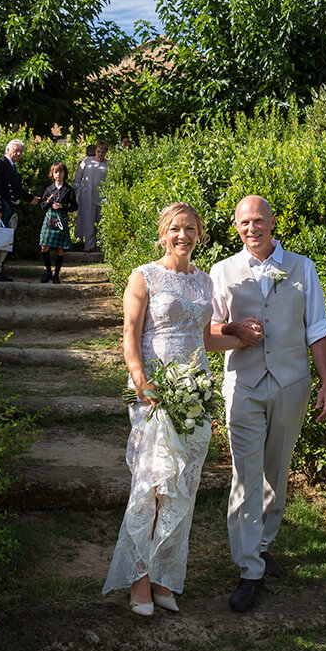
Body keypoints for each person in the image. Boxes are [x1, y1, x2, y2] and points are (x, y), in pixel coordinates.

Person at [104, 202, 262, 615]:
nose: (183, 236)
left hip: (195, 396)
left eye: (190, 229)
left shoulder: (204, 281)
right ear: (163, 232)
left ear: (200, 234)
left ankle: (163, 578)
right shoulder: (143, 277)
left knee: (182, 489)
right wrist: (143, 384)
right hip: (154, 395)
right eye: (176, 228)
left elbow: (203, 339)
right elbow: (129, 335)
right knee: (150, 487)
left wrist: (240, 339)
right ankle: (138, 578)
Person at [209, 195, 326, 613]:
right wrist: (234, 329)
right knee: (245, 475)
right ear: (235, 226)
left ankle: (261, 545)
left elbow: (316, 327)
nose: (252, 228)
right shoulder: (222, 270)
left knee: (276, 472)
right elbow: (209, 330)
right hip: (243, 384)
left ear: (274, 222)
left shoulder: (302, 268)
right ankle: (248, 569)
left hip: (291, 382)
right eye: (244, 221)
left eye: (259, 220)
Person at [0, 139, 39, 282]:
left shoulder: (12, 167)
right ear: (7, 150)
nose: (18, 153)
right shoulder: (0, 164)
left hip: (10, 207)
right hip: (1, 207)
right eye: (16, 150)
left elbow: (16, 188)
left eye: (20, 151)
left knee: (6, 239)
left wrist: (30, 198)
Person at [38, 162, 79, 283]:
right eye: (56, 172)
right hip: (49, 218)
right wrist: (48, 202)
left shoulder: (68, 190)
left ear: (64, 174)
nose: (58, 174)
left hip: (62, 219)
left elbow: (74, 206)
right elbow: (42, 206)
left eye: (61, 172)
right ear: (52, 174)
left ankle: (56, 275)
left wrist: (62, 206)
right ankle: (48, 272)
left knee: (60, 249)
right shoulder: (49, 189)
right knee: (44, 246)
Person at [75, 141, 109, 252]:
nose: (100, 154)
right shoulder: (87, 162)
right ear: (95, 151)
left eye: (103, 152)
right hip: (87, 196)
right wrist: (77, 191)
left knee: (100, 221)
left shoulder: (108, 165)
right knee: (88, 220)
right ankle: (89, 245)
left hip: (102, 197)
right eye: (98, 151)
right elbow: (77, 178)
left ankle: (101, 245)